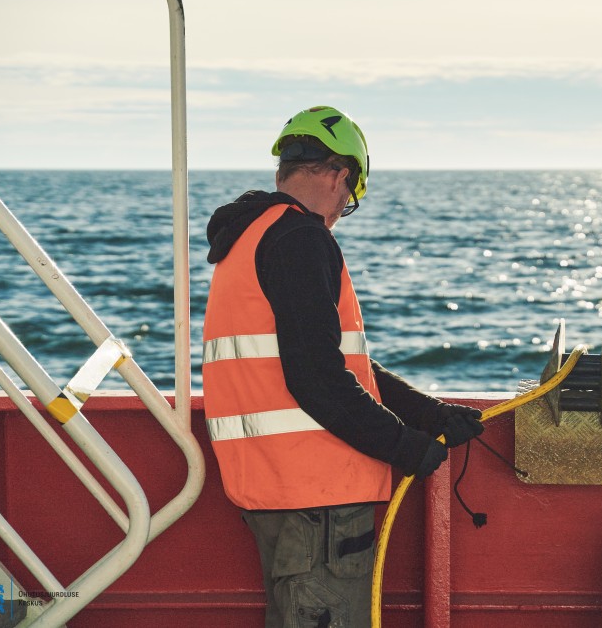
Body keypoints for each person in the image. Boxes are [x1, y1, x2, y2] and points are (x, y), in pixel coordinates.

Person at [201, 105, 483, 628]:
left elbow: (329, 359)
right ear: (339, 176)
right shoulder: (300, 238)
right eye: (348, 199)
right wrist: (403, 446)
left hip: (276, 488)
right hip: (318, 499)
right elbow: (317, 379)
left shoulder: (249, 236)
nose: (338, 214)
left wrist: (430, 414)